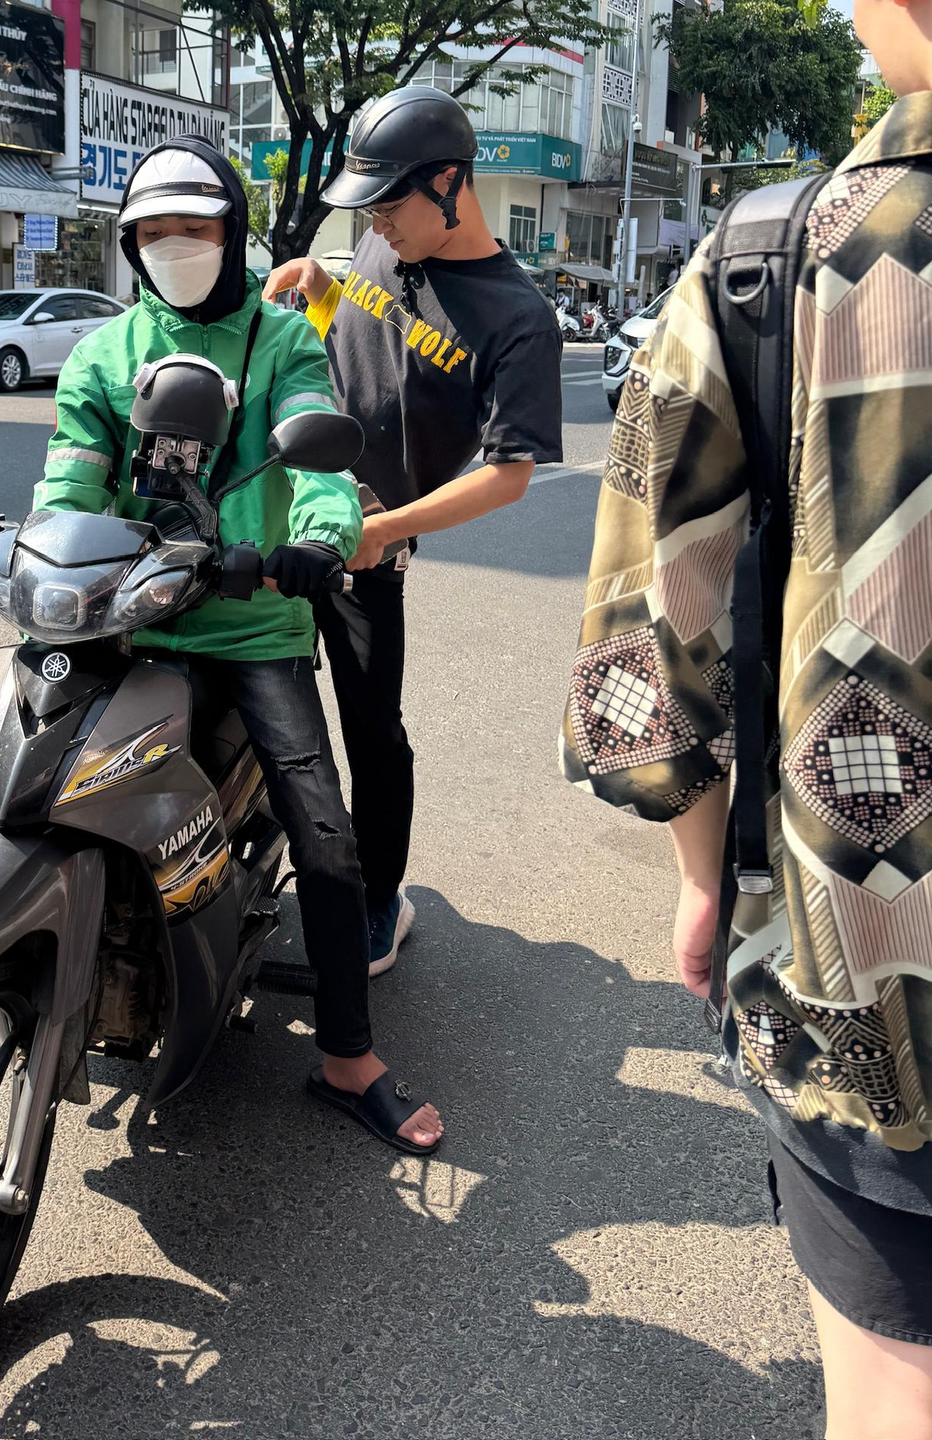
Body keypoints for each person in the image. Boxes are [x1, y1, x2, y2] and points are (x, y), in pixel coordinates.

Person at [560, 5, 932, 1431]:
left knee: (891, 1385)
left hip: (871, 971)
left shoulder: (765, 260)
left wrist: (702, 876)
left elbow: (639, 640)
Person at [35, 136, 444, 1154]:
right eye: (154, 231)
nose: (175, 245)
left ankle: (348, 1057)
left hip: (253, 621)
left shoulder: (282, 340)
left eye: (196, 226)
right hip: (127, 617)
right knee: (30, 780)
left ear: (232, 233)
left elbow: (317, 455)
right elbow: (71, 478)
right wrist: (44, 548)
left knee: (327, 834)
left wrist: (321, 540)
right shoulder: (103, 354)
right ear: (129, 244)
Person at [262, 86, 563, 975]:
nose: (376, 224)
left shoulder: (518, 319)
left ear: (449, 183)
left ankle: (379, 902)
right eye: (368, 209)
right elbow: (357, 349)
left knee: (371, 732)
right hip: (280, 503)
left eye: (388, 205)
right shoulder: (382, 241)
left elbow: (509, 475)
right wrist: (319, 287)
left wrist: (386, 530)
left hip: (368, 543)